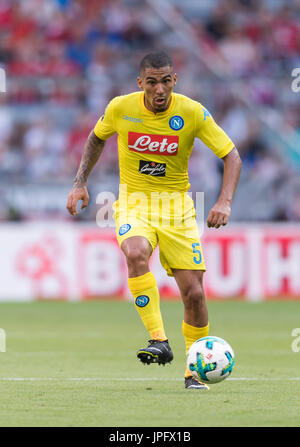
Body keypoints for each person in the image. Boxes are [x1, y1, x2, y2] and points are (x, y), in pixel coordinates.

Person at [66, 52, 242, 390]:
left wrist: (224, 201)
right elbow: (97, 137)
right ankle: (158, 339)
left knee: (194, 295)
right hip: (135, 204)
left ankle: (194, 370)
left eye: (165, 81)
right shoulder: (121, 107)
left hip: (177, 209)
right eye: (152, 82)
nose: (159, 89)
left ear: (175, 81)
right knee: (134, 253)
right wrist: (79, 182)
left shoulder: (192, 112)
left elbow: (231, 155)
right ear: (140, 83)